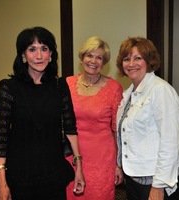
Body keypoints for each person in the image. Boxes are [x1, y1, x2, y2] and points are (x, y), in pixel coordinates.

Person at [0, 26, 85, 200]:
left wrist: (79, 167)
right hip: (20, 172)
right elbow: (1, 138)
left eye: (44, 49)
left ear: (51, 54)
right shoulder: (9, 87)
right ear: (23, 56)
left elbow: (71, 128)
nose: (39, 56)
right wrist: (2, 183)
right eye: (32, 49)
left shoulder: (60, 86)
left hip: (52, 170)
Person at [116, 37, 179, 200]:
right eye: (127, 59)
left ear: (149, 60)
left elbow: (170, 141)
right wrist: (119, 165)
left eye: (138, 58)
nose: (131, 64)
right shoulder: (129, 93)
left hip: (155, 179)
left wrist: (158, 186)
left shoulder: (161, 90)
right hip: (134, 176)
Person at [65, 36, 124, 199]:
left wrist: (118, 164)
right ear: (82, 58)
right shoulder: (67, 84)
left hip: (102, 158)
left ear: (104, 63)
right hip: (71, 155)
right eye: (90, 55)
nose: (93, 61)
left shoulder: (113, 88)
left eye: (99, 57)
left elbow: (116, 130)